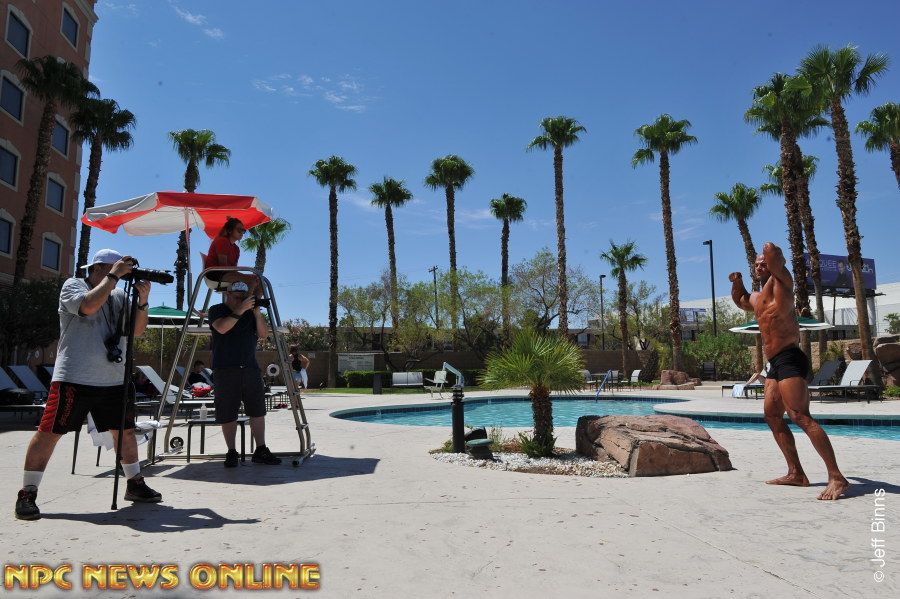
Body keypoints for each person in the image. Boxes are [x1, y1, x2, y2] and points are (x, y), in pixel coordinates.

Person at [15, 249, 163, 520]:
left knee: (125, 432)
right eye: (115, 269)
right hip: (74, 378)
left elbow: (137, 330)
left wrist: (143, 301)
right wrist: (113, 276)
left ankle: (134, 483)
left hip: (113, 380)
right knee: (49, 432)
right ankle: (27, 492)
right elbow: (88, 307)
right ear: (98, 269)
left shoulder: (119, 295)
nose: (122, 275)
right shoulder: (73, 286)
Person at [730, 242, 850, 500]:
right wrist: (736, 282)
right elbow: (740, 300)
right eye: (757, 264)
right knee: (772, 416)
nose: (760, 266)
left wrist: (767, 252)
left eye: (764, 263)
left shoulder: (783, 281)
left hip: (790, 358)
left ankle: (837, 477)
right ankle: (796, 473)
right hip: (775, 363)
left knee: (799, 416)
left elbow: (774, 256)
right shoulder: (758, 298)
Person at [208, 281, 281, 467]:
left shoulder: (250, 313)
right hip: (225, 369)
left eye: (243, 297)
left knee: (257, 410)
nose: (240, 299)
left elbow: (263, 334)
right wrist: (241, 309)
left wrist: (256, 312)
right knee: (227, 412)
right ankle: (231, 451)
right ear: (228, 294)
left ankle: (261, 449)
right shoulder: (217, 310)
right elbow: (222, 328)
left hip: (250, 368)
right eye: (237, 296)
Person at [203, 217, 259, 294]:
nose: (242, 233)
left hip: (227, 274)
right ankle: (246, 300)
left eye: (243, 231)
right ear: (229, 230)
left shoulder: (236, 249)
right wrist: (245, 277)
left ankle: (251, 301)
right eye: (239, 230)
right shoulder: (222, 241)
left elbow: (234, 269)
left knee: (260, 283)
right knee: (253, 280)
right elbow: (223, 267)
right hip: (216, 274)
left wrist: (243, 276)